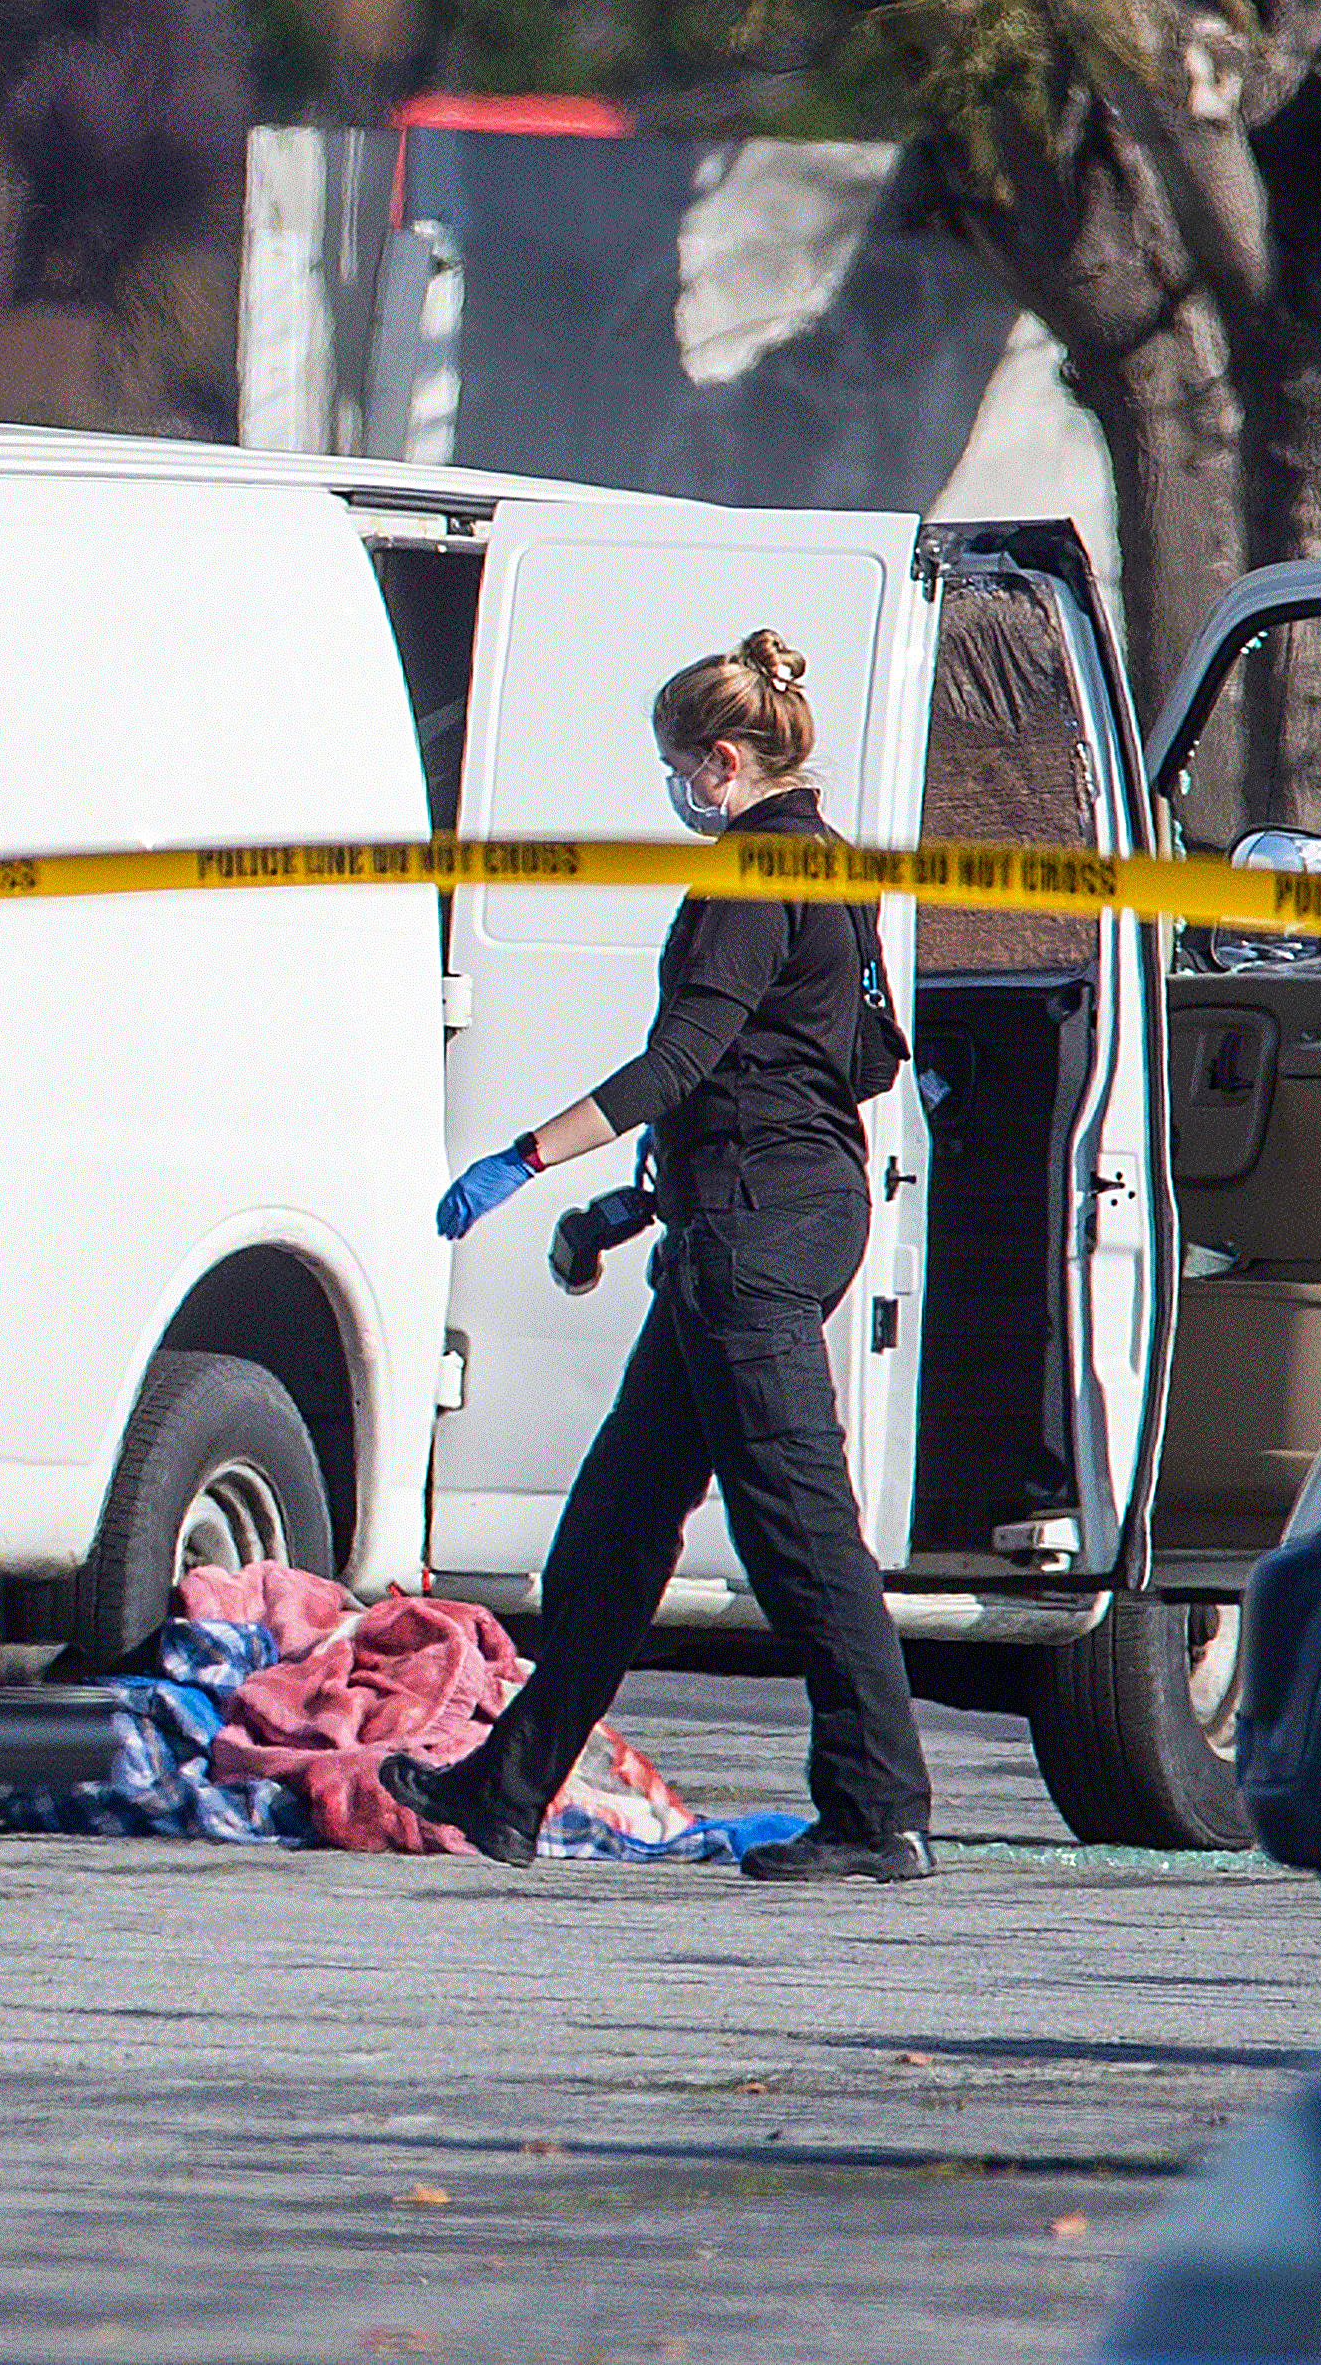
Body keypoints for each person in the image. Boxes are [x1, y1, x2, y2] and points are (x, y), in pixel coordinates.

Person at [383, 628, 935, 1884]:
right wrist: (643, 1206)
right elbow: (838, 1062)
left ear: (725, 760)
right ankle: (506, 1790)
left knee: (799, 1528)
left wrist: (523, 1160)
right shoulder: (834, 869)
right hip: (757, 1217)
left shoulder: (754, 872)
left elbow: (683, 1062)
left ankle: (877, 1811)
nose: (677, 789)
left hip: (751, 1235)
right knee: (617, 1525)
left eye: (682, 765)